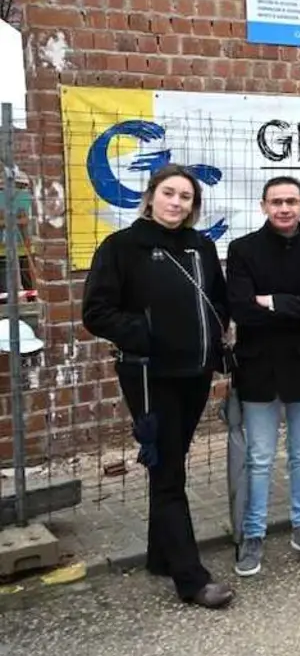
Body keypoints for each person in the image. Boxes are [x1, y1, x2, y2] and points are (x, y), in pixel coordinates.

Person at [82, 164, 234, 609]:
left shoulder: (201, 246)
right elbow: (96, 311)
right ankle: (191, 578)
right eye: (169, 193)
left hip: (196, 373)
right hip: (150, 376)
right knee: (167, 472)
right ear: (150, 197)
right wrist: (143, 333)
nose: (176, 202)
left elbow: (218, 299)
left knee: (171, 463)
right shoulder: (122, 247)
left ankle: (159, 556)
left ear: (193, 206)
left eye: (186, 197)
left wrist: (218, 327)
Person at [226, 176, 300, 577]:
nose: (284, 208)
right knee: (258, 458)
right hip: (259, 371)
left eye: (291, 201)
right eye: (277, 201)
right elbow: (241, 310)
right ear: (263, 206)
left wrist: (272, 301)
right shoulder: (242, 251)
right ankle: (253, 535)